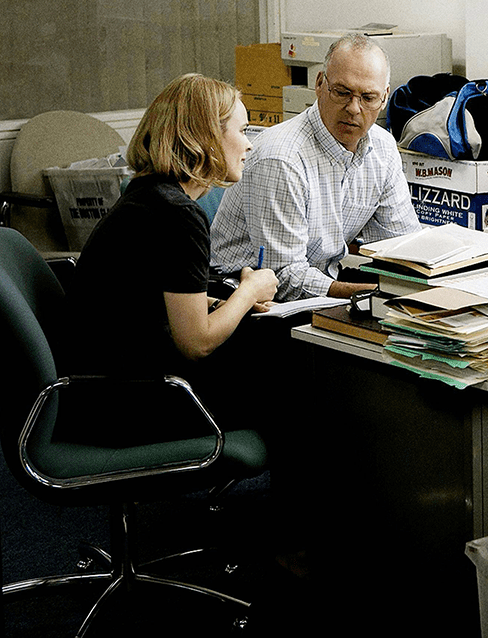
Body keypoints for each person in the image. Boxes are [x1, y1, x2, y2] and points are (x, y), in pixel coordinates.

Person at [65, 74, 279, 445]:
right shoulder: (178, 215)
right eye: (243, 131)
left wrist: (214, 302)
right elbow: (196, 343)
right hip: (136, 405)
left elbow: (142, 298)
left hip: (98, 393)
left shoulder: (148, 195)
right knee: (303, 385)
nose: (249, 145)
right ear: (206, 137)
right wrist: (249, 290)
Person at [210, 32, 420, 301]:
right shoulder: (281, 158)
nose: (354, 108)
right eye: (342, 93)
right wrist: (366, 294)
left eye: (368, 98)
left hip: (319, 281)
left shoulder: (383, 148)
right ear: (320, 83)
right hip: (243, 298)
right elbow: (284, 276)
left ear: (385, 98)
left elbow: (402, 244)